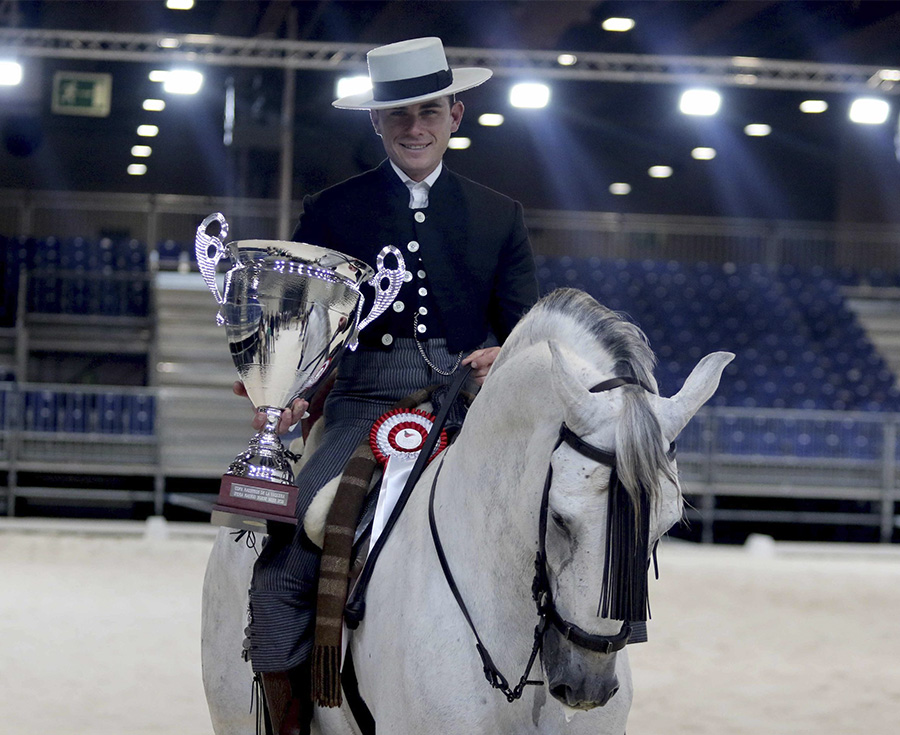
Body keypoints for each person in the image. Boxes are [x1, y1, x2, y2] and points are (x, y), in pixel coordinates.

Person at [236, 36, 539, 733]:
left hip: (468, 405)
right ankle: (287, 721)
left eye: (428, 110)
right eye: (397, 113)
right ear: (376, 122)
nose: (414, 126)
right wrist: (281, 390)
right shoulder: (332, 209)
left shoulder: (500, 213)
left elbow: (524, 326)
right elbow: (304, 327)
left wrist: (505, 353)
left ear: (455, 114)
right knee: (289, 554)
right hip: (361, 400)